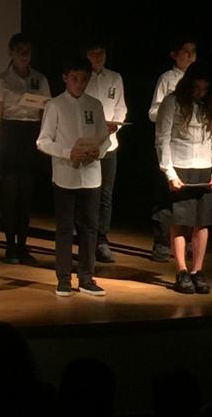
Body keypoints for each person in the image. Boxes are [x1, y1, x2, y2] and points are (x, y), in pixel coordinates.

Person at [37, 56, 109, 297]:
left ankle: (86, 277)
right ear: (65, 78)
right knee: (65, 228)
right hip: (65, 176)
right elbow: (43, 141)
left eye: (84, 79)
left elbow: (105, 138)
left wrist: (100, 150)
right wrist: (68, 152)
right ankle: (64, 279)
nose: (79, 83)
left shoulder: (95, 104)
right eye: (75, 78)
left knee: (90, 228)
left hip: (91, 176)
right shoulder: (55, 105)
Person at [154, 62, 212, 294]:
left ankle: (197, 270)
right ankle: (182, 271)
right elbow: (162, 139)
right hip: (180, 167)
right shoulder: (172, 102)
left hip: (205, 168)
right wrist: (169, 173)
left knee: (202, 222)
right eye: (196, 88)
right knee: (180, 221)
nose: (200, 93)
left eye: (204, 89)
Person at [0, 34, 51, 265]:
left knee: (26, 194)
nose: (24, 55)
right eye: (20, 51)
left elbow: (46, 111)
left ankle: (23, 246)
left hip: (31, 135)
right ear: (11, 52)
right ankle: (10, 246)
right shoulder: (2, 80)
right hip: (10, 134)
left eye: (28, 51)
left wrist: (45, 140)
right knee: (9, 194)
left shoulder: (40, 79)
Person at [147, 38, 198, 262]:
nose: (190, 55)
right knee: (165, 196)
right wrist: (172, 115)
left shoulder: (198, 82)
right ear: (174, 54)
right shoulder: (167, 79)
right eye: (185, 51)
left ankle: (188, 242)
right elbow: (153, 112)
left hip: (191, 148)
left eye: (193, 51)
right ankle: (161, 243)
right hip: (170, 144)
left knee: (189, 198)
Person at [83, 40, 127, 263]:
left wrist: (115, 124)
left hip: (109, 144)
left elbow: (121, 107)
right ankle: (85, 236)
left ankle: (101, 239)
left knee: (106, 194)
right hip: (88, 145)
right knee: (86, 192)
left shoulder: (115, 78)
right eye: (93, 52)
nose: (98, 56)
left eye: (101, 52)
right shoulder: (82, 78)